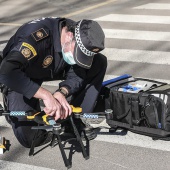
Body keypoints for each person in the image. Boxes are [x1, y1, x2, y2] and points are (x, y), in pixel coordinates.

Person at [0, 17, 107, 148]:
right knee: (30, 138)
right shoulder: (34, 38)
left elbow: (77, 73)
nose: (78, 58)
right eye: (77, 53)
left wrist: (61, 92)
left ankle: (75, 119)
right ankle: (10, 98)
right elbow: (6, 72)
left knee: (98, 62)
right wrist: (45, 95)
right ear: (69, 36)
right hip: (23, 73)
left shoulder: (76, 34)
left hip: (53, 67)